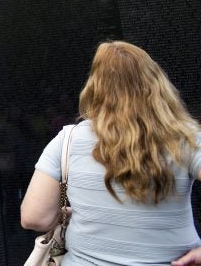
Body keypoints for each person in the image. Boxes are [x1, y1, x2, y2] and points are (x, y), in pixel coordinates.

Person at [21, 40, 201, 266]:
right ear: (156, 83)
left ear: (95, 87)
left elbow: (33, 217)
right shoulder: (187, 138)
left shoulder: (67, 140)